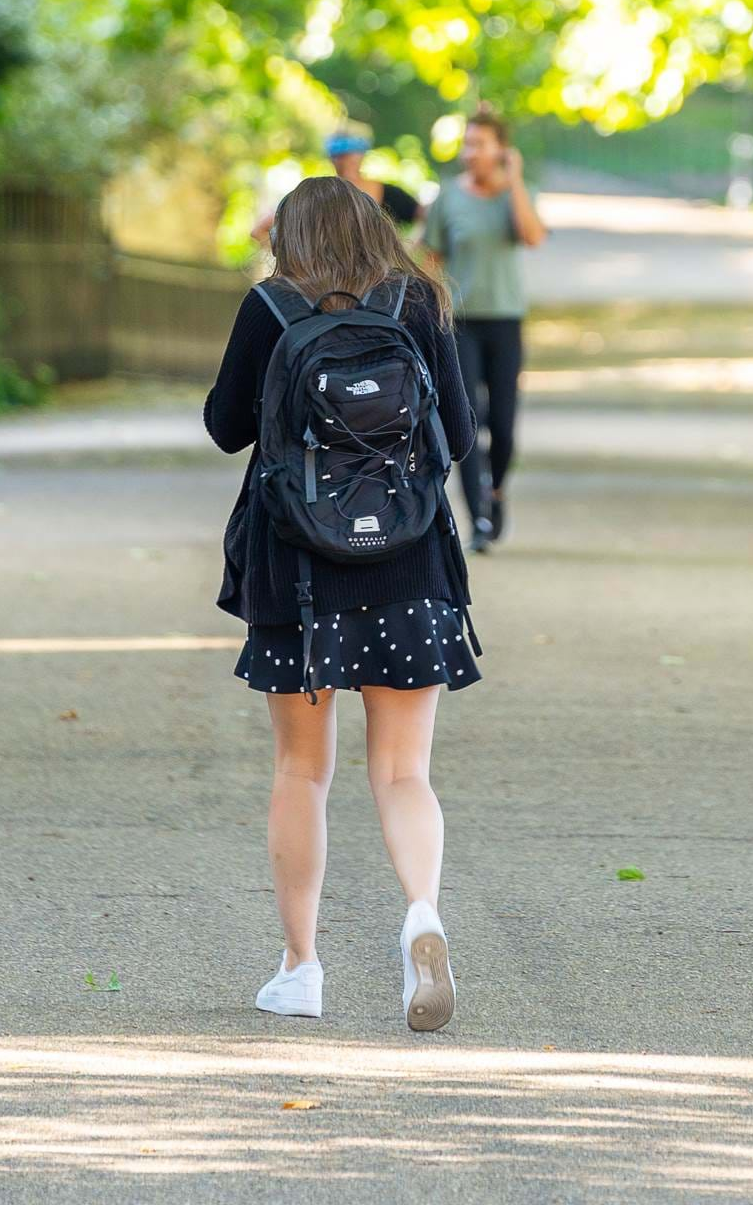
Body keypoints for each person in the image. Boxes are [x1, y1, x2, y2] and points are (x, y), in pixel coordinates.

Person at [204, 176, 492, 1032]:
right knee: (404, 771)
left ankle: (302, 969)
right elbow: (462, 439)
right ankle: (423, 917)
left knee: (304, 770)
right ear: (375, 229)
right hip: (409, 567)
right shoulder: (417, 300)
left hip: (296, 573)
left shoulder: (272, 307)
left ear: (286, 237)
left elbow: (225, 426)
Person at [419, 105, 545, 550]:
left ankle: (496, 492)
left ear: (501, 150)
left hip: (506, 321)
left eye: (479, 144)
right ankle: (478, 521)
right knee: (465, 417)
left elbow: (531, 236)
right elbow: (430, 258)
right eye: (467, 143)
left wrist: (514, 181)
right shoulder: (448, 197)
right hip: (461, 322)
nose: (470, 152)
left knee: (505, 425)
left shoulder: (517, 193)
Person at [329, 129, 424, 232]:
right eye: (342, 157)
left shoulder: (390, 194)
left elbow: (426, 215)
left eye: (352, 157)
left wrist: (413, 243)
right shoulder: (323, 196)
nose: (347, 162)